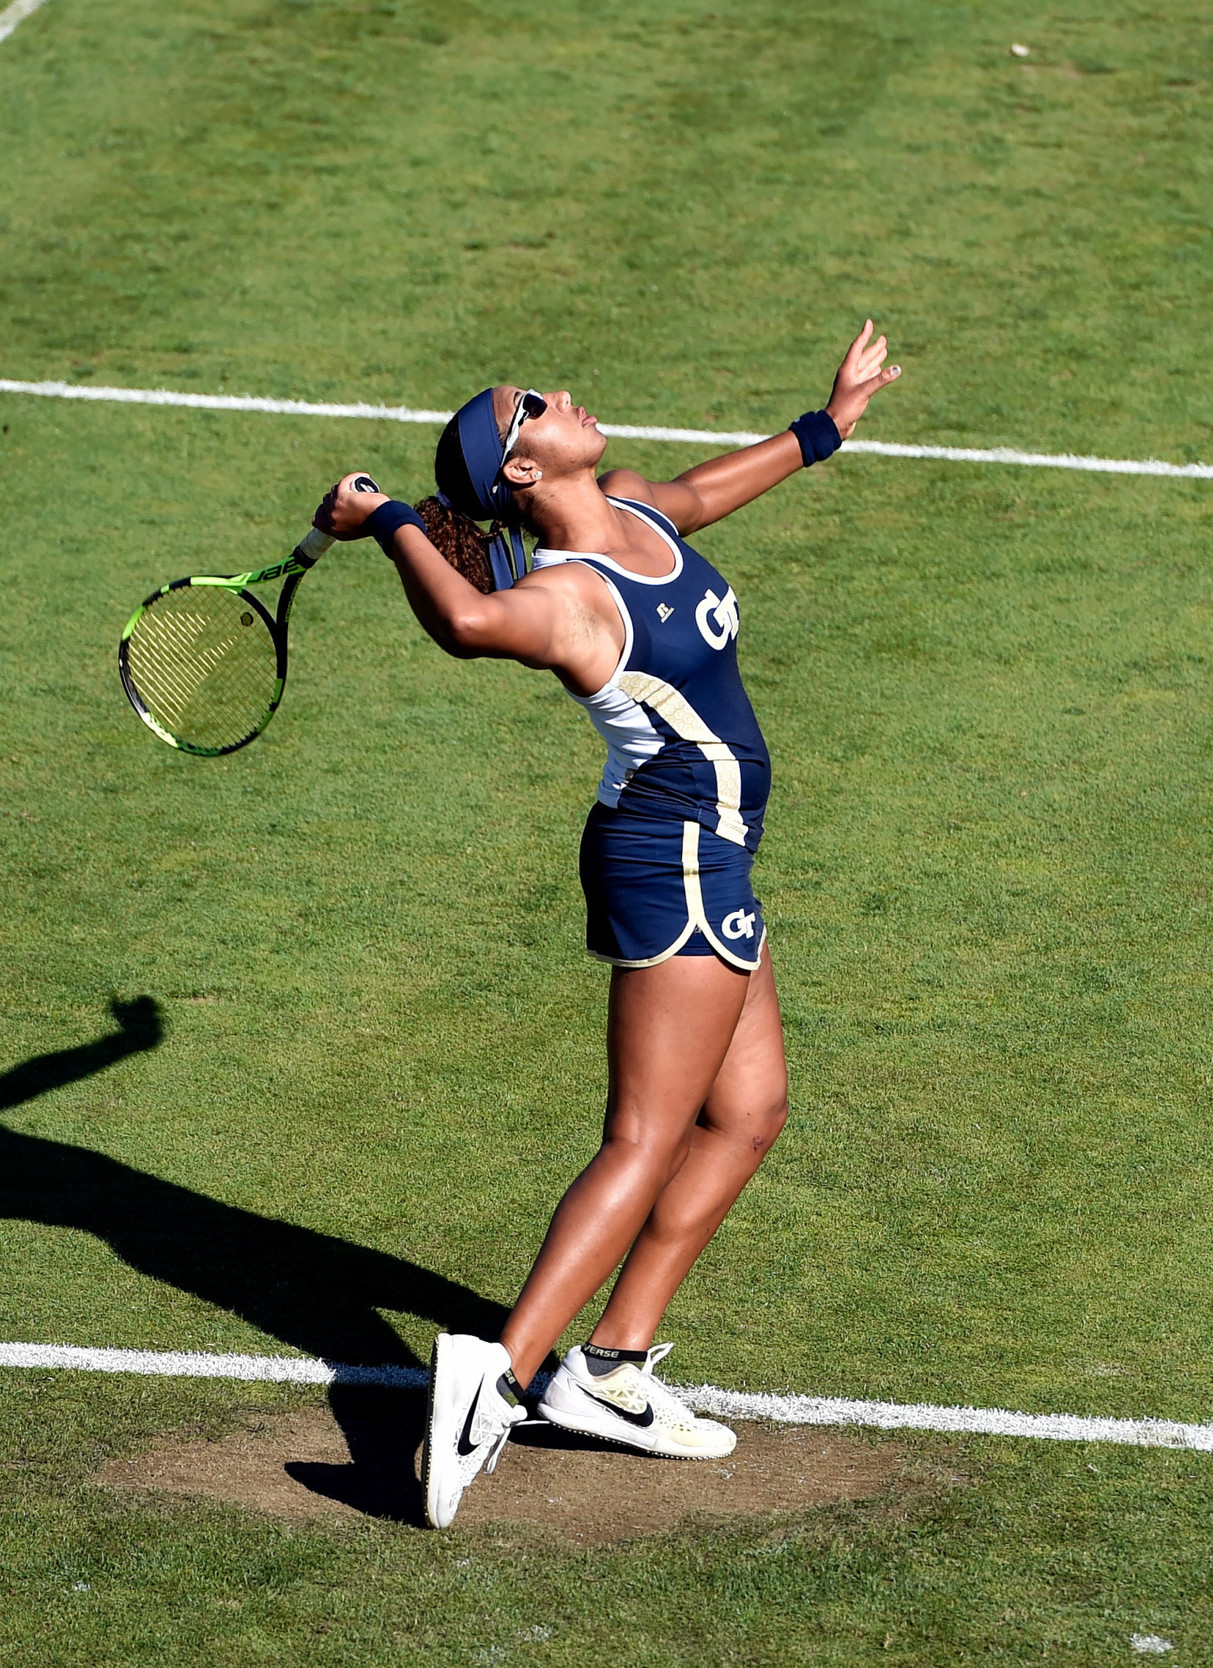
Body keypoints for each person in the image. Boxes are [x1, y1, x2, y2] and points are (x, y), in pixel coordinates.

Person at [315, 321, 903, 1529]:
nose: (564, 393)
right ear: (522, 471)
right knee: (644, 1134)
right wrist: (388, 527)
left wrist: (823, 428)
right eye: (534, 404)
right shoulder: (564, 600)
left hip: (708, 850)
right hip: (672, 853)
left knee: (748, 1112)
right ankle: (502, 1378)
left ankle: (614, 1370)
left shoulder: (635, 509)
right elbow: (468, 627)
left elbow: (699, 490)